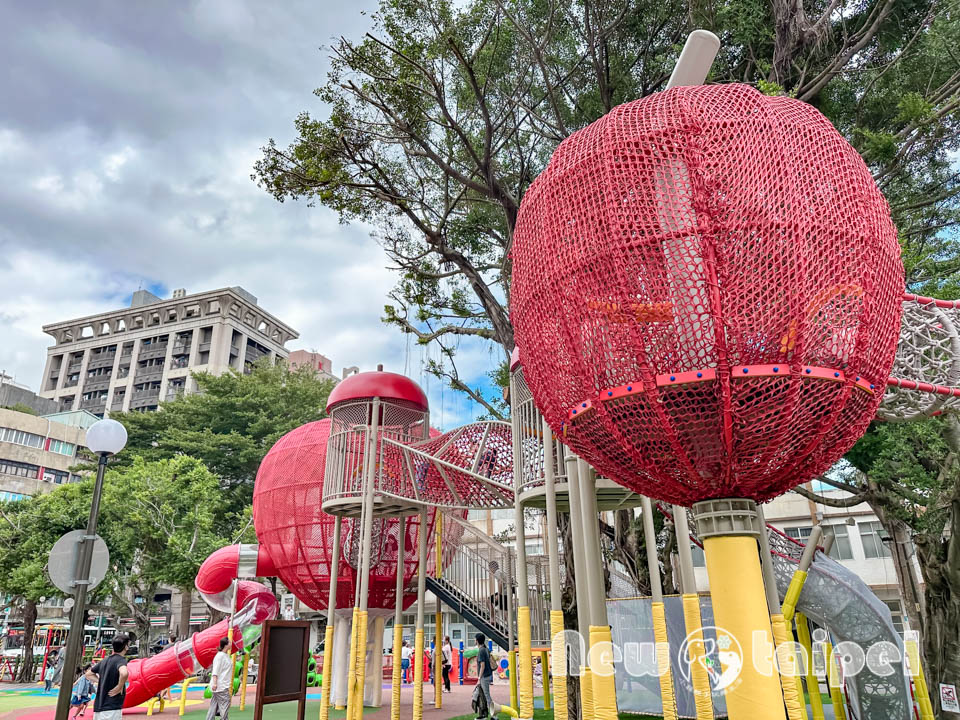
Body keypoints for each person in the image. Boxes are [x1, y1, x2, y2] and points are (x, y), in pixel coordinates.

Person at [86, 633, 130, 720]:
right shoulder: (121, 660)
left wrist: (102, 681)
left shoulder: (104, 661)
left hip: (99, 706)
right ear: (125, 647)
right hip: (112, 707)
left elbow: (88, 674)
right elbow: (124, 673)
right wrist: (119, 686)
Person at [207, 637, 233, 720]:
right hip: (221, 685)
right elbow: (215, 671)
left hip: (220, 685)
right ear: (226, 645)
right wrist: (215, 683)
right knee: (225, 704)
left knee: (214, 704)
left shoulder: (225, 656)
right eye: (229, 642)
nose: (231, 644)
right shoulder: (220, 656)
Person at [475, 633, 495, 719]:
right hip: (487, 674)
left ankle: (493, 714)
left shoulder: (481, 651)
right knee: (483, 695)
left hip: (484, 676)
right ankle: (484, 714)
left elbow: (482, 665)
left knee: (486, 695)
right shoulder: (485, 649)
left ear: (477, 641)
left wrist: (479, 678)